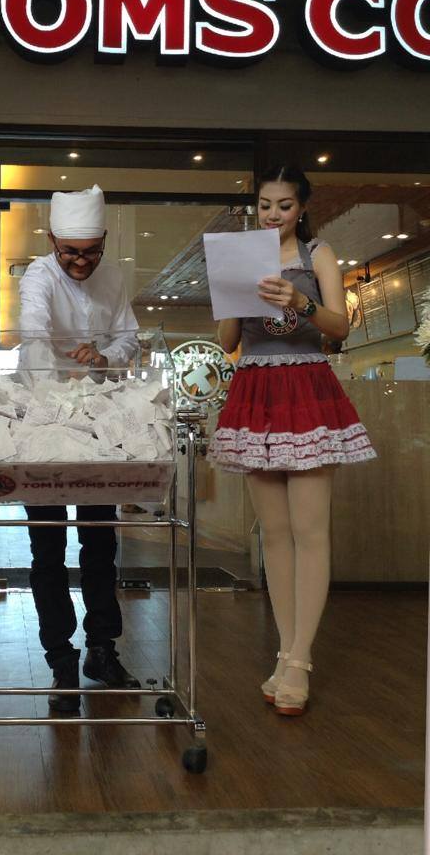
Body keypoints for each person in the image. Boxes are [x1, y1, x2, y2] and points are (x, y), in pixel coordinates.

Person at [207, 163, 376, 716]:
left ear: (301, 208)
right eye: (264, 205)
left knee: (310, 531)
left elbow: (340, 328)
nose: (272, 214)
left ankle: (300, 659)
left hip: (306, 386)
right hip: (255, 388)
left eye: (283, 205)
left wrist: (298, 303)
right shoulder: (241, 256)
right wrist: (233, 293)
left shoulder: (317, 254)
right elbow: (228, 342)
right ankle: (286, 652)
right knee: (276, 536)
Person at [19, 184, 141, 712]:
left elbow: (130, 337)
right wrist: (60, 390)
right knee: (47, 548)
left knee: (100, 541)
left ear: (104, 241)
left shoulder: (113, 276)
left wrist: (105, 358)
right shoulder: (38, 276)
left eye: (91, 251)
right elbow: (33, 336)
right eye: (70, 251)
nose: (81, 261)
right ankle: (60, 658)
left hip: (99, 422)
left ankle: (102, 649)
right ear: (52, 241)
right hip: (44, 419)